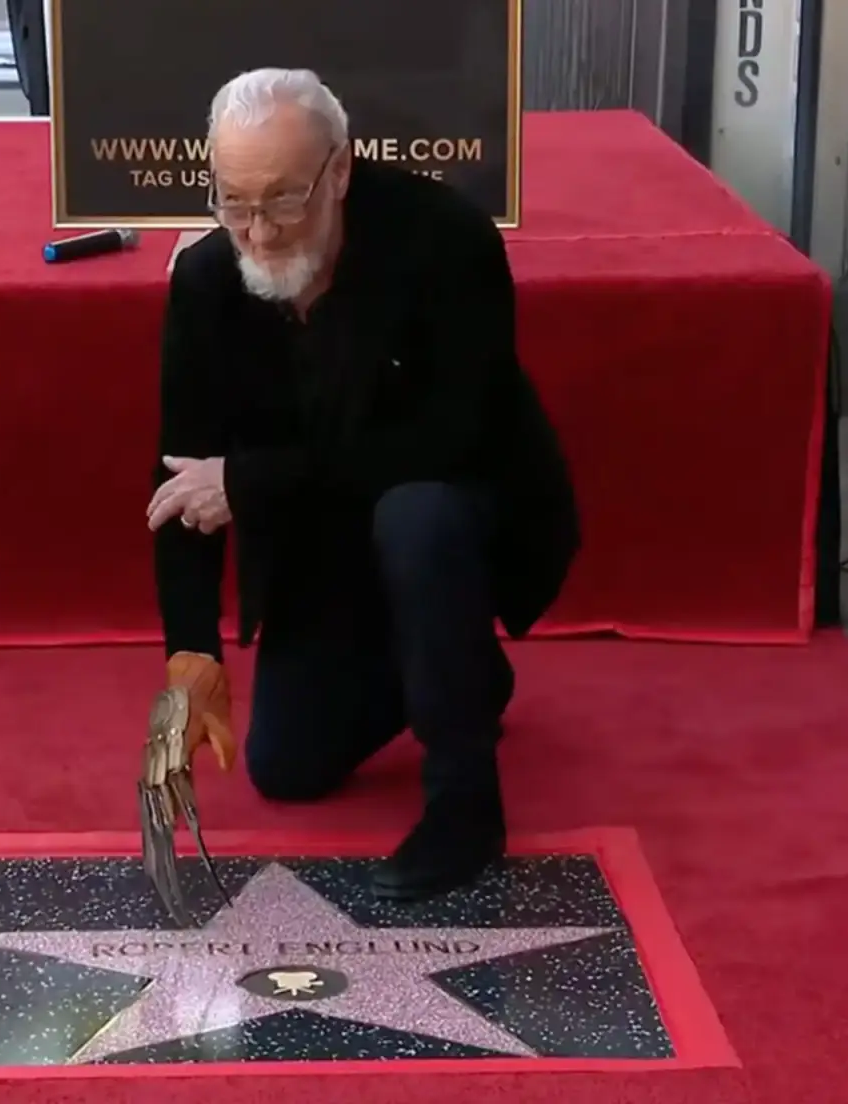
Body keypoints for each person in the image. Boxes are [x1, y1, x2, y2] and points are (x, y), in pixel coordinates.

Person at [146, 68, 578, 902]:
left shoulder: (444, 239)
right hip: (325, 537)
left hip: (462, 512)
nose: (260, 234)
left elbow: (449, 439)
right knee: (287, 766)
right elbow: (180, 481)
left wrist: (254, 479)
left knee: (418, 519)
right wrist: (191, 655)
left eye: (283, 200)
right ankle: (462, 672)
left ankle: (465, 807)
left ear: (339, 172)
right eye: (234, 203)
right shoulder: (205, 282)